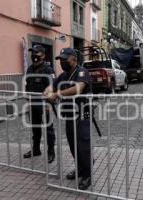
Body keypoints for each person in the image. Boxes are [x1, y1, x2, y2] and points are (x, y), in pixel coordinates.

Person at [43, 48, 92, 190]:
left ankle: (87, 174)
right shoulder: (64, 75)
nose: (62, 62)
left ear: (74, 59)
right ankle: (80, 169)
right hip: (70, 115)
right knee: (73, 145)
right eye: (61, 60)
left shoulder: (82, 71)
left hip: (82, 114)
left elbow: (79, 88)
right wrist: (48, 90)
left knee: (82, 146)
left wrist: (57, 94)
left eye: (65, 59)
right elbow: (52, 84)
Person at [23, 45, 56, 163]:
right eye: (33, 53)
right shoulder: (30, 69)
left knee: (48, 128)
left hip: (45, 104)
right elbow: (27, 84)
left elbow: (52, 86)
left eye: (37, 53)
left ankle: (51, 151)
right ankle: (36, 149)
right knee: (35, 128)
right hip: (32, 104)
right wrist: (26, 95)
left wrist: (48, 103)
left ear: (43, 55)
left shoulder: (48, 69)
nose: (34, 55)